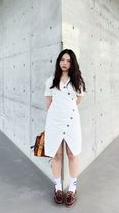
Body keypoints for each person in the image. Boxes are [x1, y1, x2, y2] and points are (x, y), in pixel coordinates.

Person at [44, 49, 86, 207]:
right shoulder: (50, 80)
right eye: (62, 60)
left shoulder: (78, 81)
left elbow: (79, 99)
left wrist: (68, 109)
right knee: (56, 154)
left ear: (72, 63)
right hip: (54, 121)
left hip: (71, 120)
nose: (65, 63)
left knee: (72, 153)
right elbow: (48, 102)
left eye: (68, 60)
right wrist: (56, 115)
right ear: (58, 61)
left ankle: (73, 189)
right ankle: (58, 188)